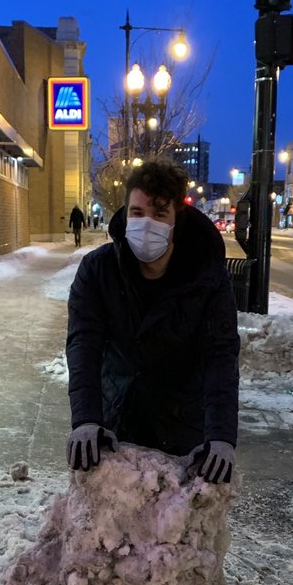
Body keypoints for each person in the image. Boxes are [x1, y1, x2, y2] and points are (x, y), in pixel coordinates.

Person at [65, 159, 239, 484]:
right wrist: (86, 419)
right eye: (137, 213)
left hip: (181, 426)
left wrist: (221, 435)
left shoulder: (206, 277)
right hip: (116, 418)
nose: (147, 224)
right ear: (126, 213)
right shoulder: (98, 271)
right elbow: (83, 344)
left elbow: (220, 355)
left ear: (176, 221)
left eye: (159, 214)